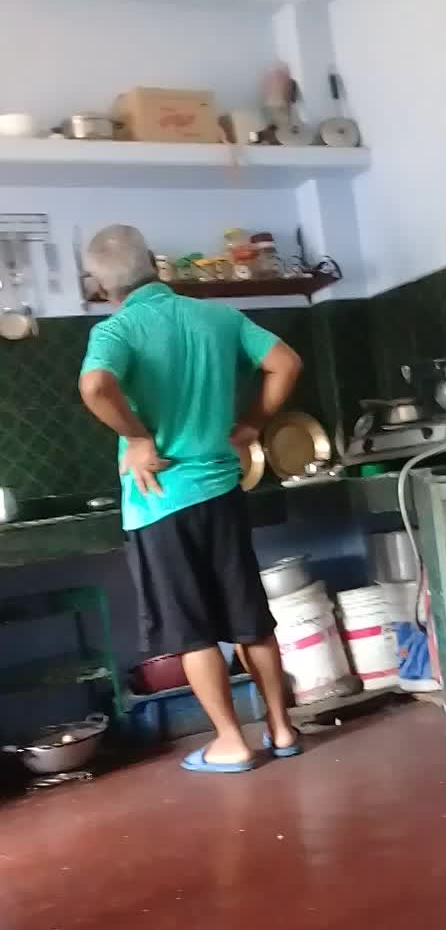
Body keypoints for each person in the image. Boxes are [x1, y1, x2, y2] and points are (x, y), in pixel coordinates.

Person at [79, 224, 303, 774]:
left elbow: (95, 387)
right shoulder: (218, 317)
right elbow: (286, 363)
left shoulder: (116, 330)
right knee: (249, 618)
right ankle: (281, 728)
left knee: (191, 629)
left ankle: (231, 741)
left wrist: (137, 438)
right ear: (155, 264)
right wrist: (252, 424)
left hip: (158, 501)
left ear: (102, 286)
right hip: (223, 491)